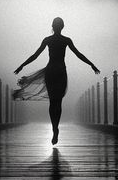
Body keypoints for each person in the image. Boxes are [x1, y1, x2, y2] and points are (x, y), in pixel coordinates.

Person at [14, 17, 100, 145]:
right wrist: (91, 64)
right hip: (59, 71)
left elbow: (35, 55)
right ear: (62, 27)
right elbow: (78, 54)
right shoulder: (65, 40)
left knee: (53, 101)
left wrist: (22, 65)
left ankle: (55, 128)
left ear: (53, 26)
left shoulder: (49, 40)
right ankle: (55, 128)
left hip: (51, 71)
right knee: (57, 102)